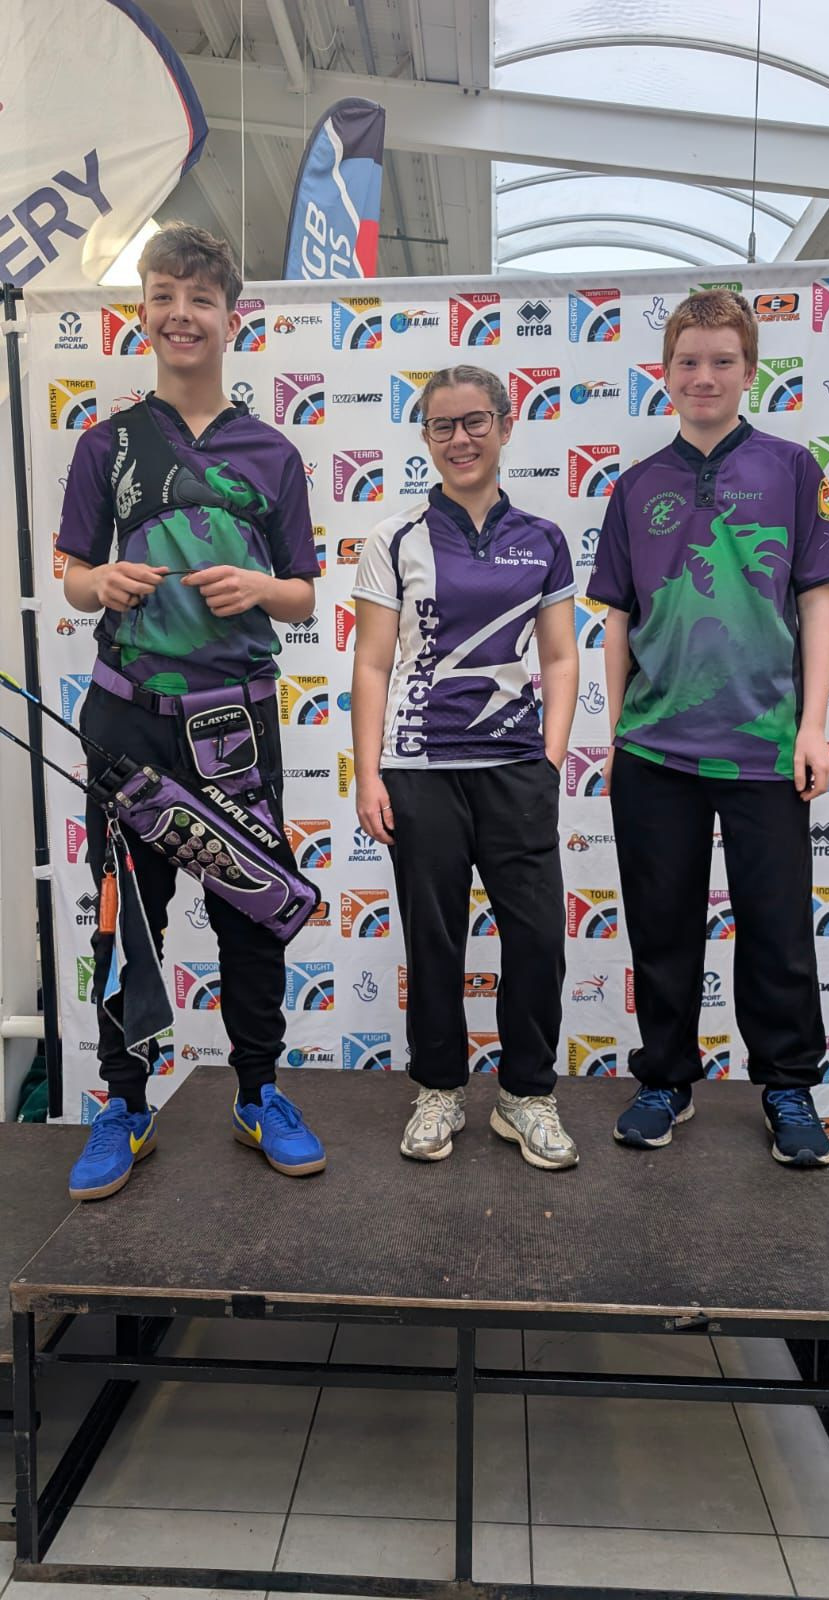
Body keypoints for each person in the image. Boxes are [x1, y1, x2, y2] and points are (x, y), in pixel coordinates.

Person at [58, 222, 326, 1199]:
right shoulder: (107, 444)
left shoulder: (274, 453)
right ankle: (124, 1105)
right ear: (145, 311)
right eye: (165, 295)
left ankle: (260, 1092)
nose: (182, 314)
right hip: (126, 717)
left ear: (230, 317)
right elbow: (70, 573)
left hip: (237, 724)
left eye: (200, 299)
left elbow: (304, 593)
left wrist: (259, 586)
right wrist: (103, 581)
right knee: (127, 919)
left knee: (250, 907)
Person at [588, 289, 829, 1167]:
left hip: (768, 745)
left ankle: (787, 1088)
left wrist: (813, 726)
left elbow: (817, 605)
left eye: (722, 361)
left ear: (749, 370)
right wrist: (618, 731)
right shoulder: (634, 488)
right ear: (664, 374)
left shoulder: (790, 468)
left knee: (778, 930)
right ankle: (665, 1079)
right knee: (660, 926)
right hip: (656, 750)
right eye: (688, 362)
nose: (704, 377)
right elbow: (615, 620)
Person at [351, 365, 580, 1170]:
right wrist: (367, 771)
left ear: (506, 426)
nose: (461, 439)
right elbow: (373, 665)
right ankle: (441, 1089)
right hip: (421, 769)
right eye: (443, 426)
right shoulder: (394, 538)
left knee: (537, 940)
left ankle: (526, 1097)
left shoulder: (544, 539)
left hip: (517, 769)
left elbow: (559, 658)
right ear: (424, 438)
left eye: (476, 422)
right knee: (436, 941)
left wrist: (549, 760)